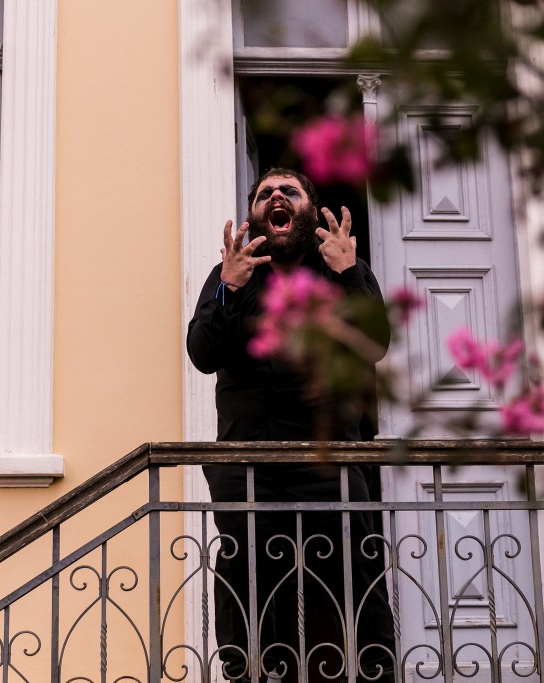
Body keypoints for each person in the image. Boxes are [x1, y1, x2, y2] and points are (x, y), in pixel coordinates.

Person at [187, 168, 396, 683]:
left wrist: (350, 274)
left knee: (355, 571)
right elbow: (202, 353)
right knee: (246, 578)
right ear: (256, 215)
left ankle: (375, 672)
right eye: (264, 194)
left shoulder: (340, 271)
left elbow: (375, 344)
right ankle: (248, 674)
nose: (276, 197)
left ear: (309, 209)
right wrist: (229, 290)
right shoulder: (231, 275)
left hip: (331, 457)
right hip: (246, 463)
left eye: (290, 192)